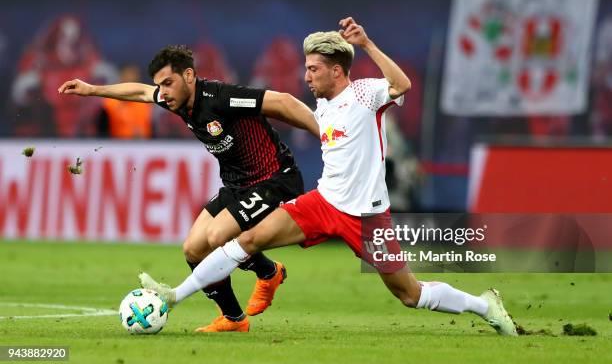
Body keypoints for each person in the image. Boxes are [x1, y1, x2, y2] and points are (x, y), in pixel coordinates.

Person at [139, 17, 518, 336]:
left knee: (410, 294)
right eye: (306, 68)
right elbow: (292, 111)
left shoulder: (367, 93)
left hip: (366, 216)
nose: (306, 76)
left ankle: (484, 306)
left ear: (337, 71)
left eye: (313, 69)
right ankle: (175, 296)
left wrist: (366, 43)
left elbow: (402, 85)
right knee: (250, 239)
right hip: (322, 203)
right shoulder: (321, 105)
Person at [58, 45, 319, 332]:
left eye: (168, 83)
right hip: (237, 185)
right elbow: (141, 92)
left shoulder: (221, 98)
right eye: (160, 85)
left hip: (274, 179)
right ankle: (234, 318)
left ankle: (268, 273)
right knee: (193, 249)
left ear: (189, 76)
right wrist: (91, 89)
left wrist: (325, 135)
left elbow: (282, 102)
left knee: (218, 235)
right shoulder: (177, 100)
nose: (163, 92)